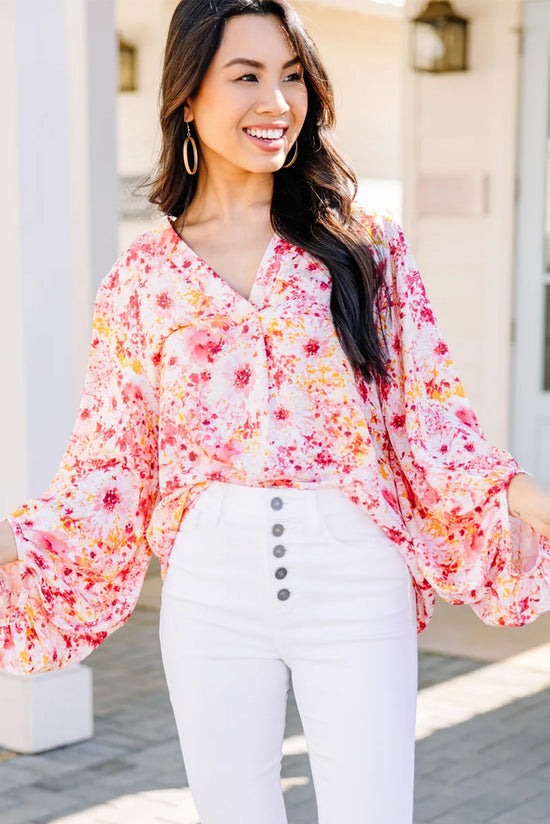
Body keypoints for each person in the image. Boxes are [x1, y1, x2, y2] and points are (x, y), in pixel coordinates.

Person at [1, 0, 550, 821]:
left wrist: (533, 505)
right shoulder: (140, 284)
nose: (278, 101)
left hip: (356, 574)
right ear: (188, 96)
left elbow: (433, 422)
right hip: (210, 587)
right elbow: (106, 471)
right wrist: (17, 545)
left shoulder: (367, 249)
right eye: (247, 75)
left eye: (292, 77)